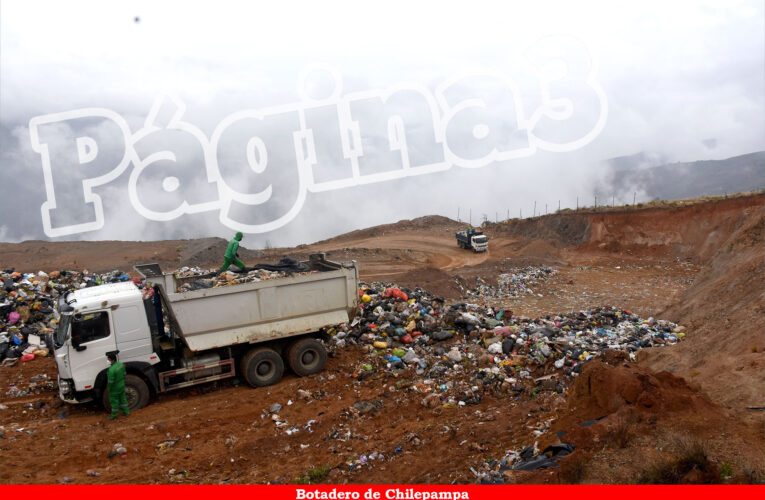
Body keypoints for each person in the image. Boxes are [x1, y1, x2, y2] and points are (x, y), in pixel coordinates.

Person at [106, 351, 129, 420]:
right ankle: (126, 412)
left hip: (114, 389)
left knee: (114, 402)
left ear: (112, 360)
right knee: (123, 399)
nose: (107, 361)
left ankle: (114, 416)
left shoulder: (111, 370)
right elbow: (124, 374)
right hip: (121, 386)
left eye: (108, 359)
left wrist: (109, 389)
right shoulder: (121, 365)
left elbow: (110, 382)